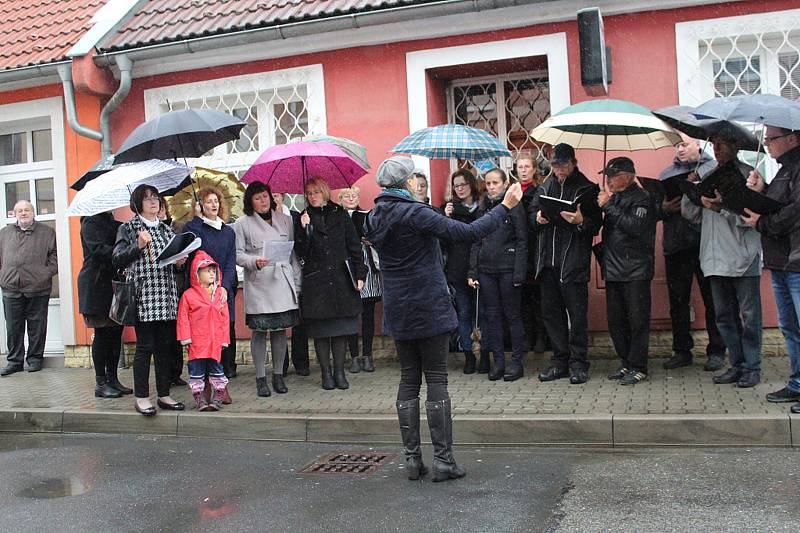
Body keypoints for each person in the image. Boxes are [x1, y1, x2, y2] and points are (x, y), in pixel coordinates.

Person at [365, 155, 522, 482]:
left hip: (398, 308)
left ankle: (412, 460)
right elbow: (470, 232)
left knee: (409, 378)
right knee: (436, 378)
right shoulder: (416, 212)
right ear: (407, 182)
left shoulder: (374, 216)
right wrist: (505, 206)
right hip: (428, 304)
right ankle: (444, 460)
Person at [681, 133, 762, 388]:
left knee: (749, 316)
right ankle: (736, 364)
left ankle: (752, 366)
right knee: (724, 317)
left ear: (735, 146)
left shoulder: (748, 174)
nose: (716, 150)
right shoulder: (707, 174)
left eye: (722, 145)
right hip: (713, 256)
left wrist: (723, 206)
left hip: (742, 254)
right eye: (713, 145)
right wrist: (693, 194)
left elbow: (752, 217)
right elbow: (691, 216)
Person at [529, 143, 601, 385]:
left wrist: (581, 221)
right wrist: (537, 219)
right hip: (548, 262)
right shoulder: (545, 187)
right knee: (552, 315)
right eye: (555, 165)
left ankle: (579, 363)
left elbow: (595, 225)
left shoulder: (587, 188)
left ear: (573, 163)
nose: (559, 170)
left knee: (577, 316)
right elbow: (532, 216)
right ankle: (560, 361)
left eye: (563, 165)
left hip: (572, 262)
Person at [113, 185, 187, 415]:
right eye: (147, 199)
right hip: (144, 295)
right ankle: (142, 397)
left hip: (166, 295)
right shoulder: (130, 228)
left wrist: (179, 263)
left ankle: (164, 394)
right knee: (145, 348)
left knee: (165, 347)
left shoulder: (166, 230)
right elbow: (117, 259)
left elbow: (170, 261)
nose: (154, 202)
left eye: (156, 198)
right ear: (137, 204)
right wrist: (138, 245)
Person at [743, 125, 800, 411]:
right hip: (781, 260)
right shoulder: (784, 169)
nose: (767, 143)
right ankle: (798, 383)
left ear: (791, 139)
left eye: (772, 138)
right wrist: (762, 189)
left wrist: (761, 223)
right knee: (790, 327)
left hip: (796, 260)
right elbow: (779, 203)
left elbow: (793, 212)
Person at [658, 139, 727, 371]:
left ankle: (717, 350)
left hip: (706, 242)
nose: (680, 149)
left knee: (712, 299)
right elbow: (656, 209)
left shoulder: (712, 169)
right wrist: (663, 208)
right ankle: (681, 350)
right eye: (676, 145)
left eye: (685, 144)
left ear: (698, 144)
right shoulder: (667, 174)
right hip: (676, 244)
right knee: (678, 302)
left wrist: (697, 187)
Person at [296, 178, 366, 391]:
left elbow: (354, 247)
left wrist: (360, 274)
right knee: (321, 331)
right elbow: (300, 253)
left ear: (325, 192)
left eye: (316, 191)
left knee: (340, 329)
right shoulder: (304, 218)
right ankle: (326, 373)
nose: (313, 196)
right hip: (316, 282)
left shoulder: (341, 214)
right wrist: (305, 231)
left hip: (341, 279)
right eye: (309, 193)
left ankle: (339, 371)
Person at [235, 182, 301, 396]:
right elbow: (237, 254)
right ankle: (261, 378)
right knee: (260, 332)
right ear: (250, 202)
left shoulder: (286, 220)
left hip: (282, 281)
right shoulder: (242, 223)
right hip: (260, 283)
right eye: (257, 198)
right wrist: (254, 261)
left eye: (265, 196)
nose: (263, 201)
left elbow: (293, 255)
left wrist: (297, 283)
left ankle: (279, 375)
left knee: (281, 330)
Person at [598, 158, 657, 385]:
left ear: (629, 175)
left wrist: (608, 206)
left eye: (613, 175)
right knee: (616, 320)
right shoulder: (614, 198)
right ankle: (625, 361)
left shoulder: (642, 198)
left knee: (637, 319)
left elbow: (634, 226)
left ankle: (639, 365)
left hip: (636, 269)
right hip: (613, 268)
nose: (609, 180)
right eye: (607, 176)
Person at [467, 168, 527, 381]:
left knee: (512, 316)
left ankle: (516, 363)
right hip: (486, 270)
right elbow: (475, 240)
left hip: (508, 268)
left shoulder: (515, 207)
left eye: (495, 183)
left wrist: (519, 273)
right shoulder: (483, 207)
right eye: (488, 183)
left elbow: (522, 240)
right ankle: (498, 362)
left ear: (505, 184)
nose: (491, 187)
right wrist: (472, 271)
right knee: (491, 317)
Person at [184, 187, 238, 406]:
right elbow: (189, 244)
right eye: (208, 202)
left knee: (224, 338)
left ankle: (221, 385)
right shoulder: (196, 229)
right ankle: (205, 385)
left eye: (216, 201)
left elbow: (230, 262)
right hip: (200, 294)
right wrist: (197, 218)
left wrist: (225, 286)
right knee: (203, 340)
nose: (213, 205)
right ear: (201, 206)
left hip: (222, 293)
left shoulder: (228, 232)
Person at [0, 200, 58, 376]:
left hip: (38, 287)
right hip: (11, 287)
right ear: (14, 214)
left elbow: (55, 258)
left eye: (26, 210)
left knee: (37, 326)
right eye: (19, 210)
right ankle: (14, 362)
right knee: (13, 328)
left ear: (33, 212)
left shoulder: (47, 232)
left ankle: (34, 359)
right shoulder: (4, 233)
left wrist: (44, 274)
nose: (23, 213)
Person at [77, 210, 131, 397]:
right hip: (96, 284)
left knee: (116, 332)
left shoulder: (115, 224)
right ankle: (101, 382)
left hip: (114, 284)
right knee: (102, 333)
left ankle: (113, 378)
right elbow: (98, 249)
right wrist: (122, 252)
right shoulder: (90, 223)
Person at [176, 251, 230, 411]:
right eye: (207, 271)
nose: (212, 273)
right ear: (196, 274)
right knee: (196, 373)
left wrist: (225, 339)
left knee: (217, 371)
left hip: (215, 342)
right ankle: (199, 399)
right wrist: (185, 338)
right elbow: (183, 318)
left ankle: (218, 397)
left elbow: (225, 318)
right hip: (197, 343)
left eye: (214, 271)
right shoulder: (188, 295)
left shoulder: (220, 293)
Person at [442, 169, 484, 373]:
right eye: (456, 185)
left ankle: (484, 354)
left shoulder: (483, 207)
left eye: (463, 184)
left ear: (471, 184)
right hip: (458, 269)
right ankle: (468, 355)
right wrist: (446, 218)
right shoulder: (449, 209)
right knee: (464, 312)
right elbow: (443, 241)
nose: (459, 189)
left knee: (483, 312)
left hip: (480, 267)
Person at [339, 186, 382, 373]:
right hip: (347, 267)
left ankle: (368, 354)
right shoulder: (337, 217)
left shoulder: (367, 215)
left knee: (368, 313)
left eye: (354, 195)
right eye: (347, 196)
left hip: (367, 265)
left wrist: (371, 240)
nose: (351, 198)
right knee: (350, 314)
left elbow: (380, 236)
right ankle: (354, 355)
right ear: (340, 199)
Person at [272, 191, 310, 376]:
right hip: (275, 276)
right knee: (279, 321)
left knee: (299, 320)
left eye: (276, 195)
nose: (273, 199)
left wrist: (303, 228)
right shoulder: (264, 221)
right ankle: (282, 365)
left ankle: (301, 362)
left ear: (283, 196)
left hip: (295, 273)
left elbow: (304, 245)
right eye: (269, 196)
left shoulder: (296, 216)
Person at [516, 153, 550, 354]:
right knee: (523, 299)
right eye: (520, 167)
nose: (523, 170)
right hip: (518, 251)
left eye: (527, 166)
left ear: (534, 169)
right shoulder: (512, 192)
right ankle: (527, 336)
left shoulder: (540, 191)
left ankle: (541, 337)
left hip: (535, 248)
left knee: (538, 298)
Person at [158, 199, 187, 388]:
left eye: (161, 207)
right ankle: (165, 375)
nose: (159, 211)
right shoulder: (151, 230)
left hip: (178, 284)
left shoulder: (177, 227)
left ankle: (176, 372)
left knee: (176, 333)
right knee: (163, 336)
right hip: (162, 288)